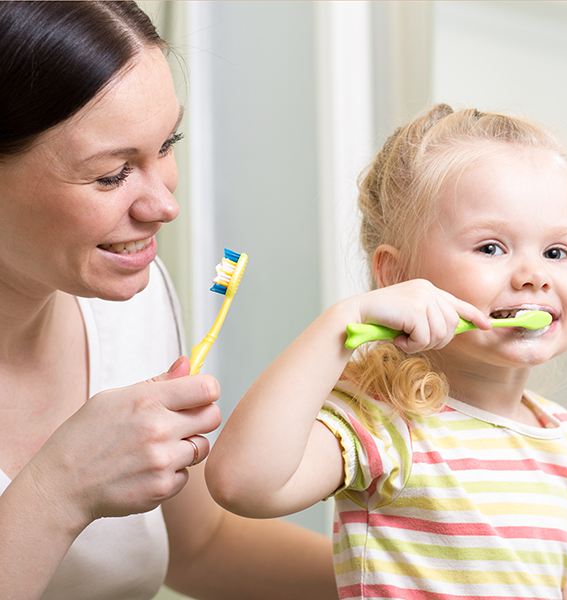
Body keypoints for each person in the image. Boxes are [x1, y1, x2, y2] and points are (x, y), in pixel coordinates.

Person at [0, 2, 337, 599]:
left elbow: (199, 546)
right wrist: (60, 488)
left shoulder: (131, 301)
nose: (163, 205)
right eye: (111, 175)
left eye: (166, 145)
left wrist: (443, 578)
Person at [206, 104, 567, 599]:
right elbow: (241, 483)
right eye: (491, 248)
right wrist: (342, 322)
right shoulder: (387, 424)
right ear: (398, 277)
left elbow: (551, 573)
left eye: (557, 252)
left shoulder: (563, 438)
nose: (534, 275)